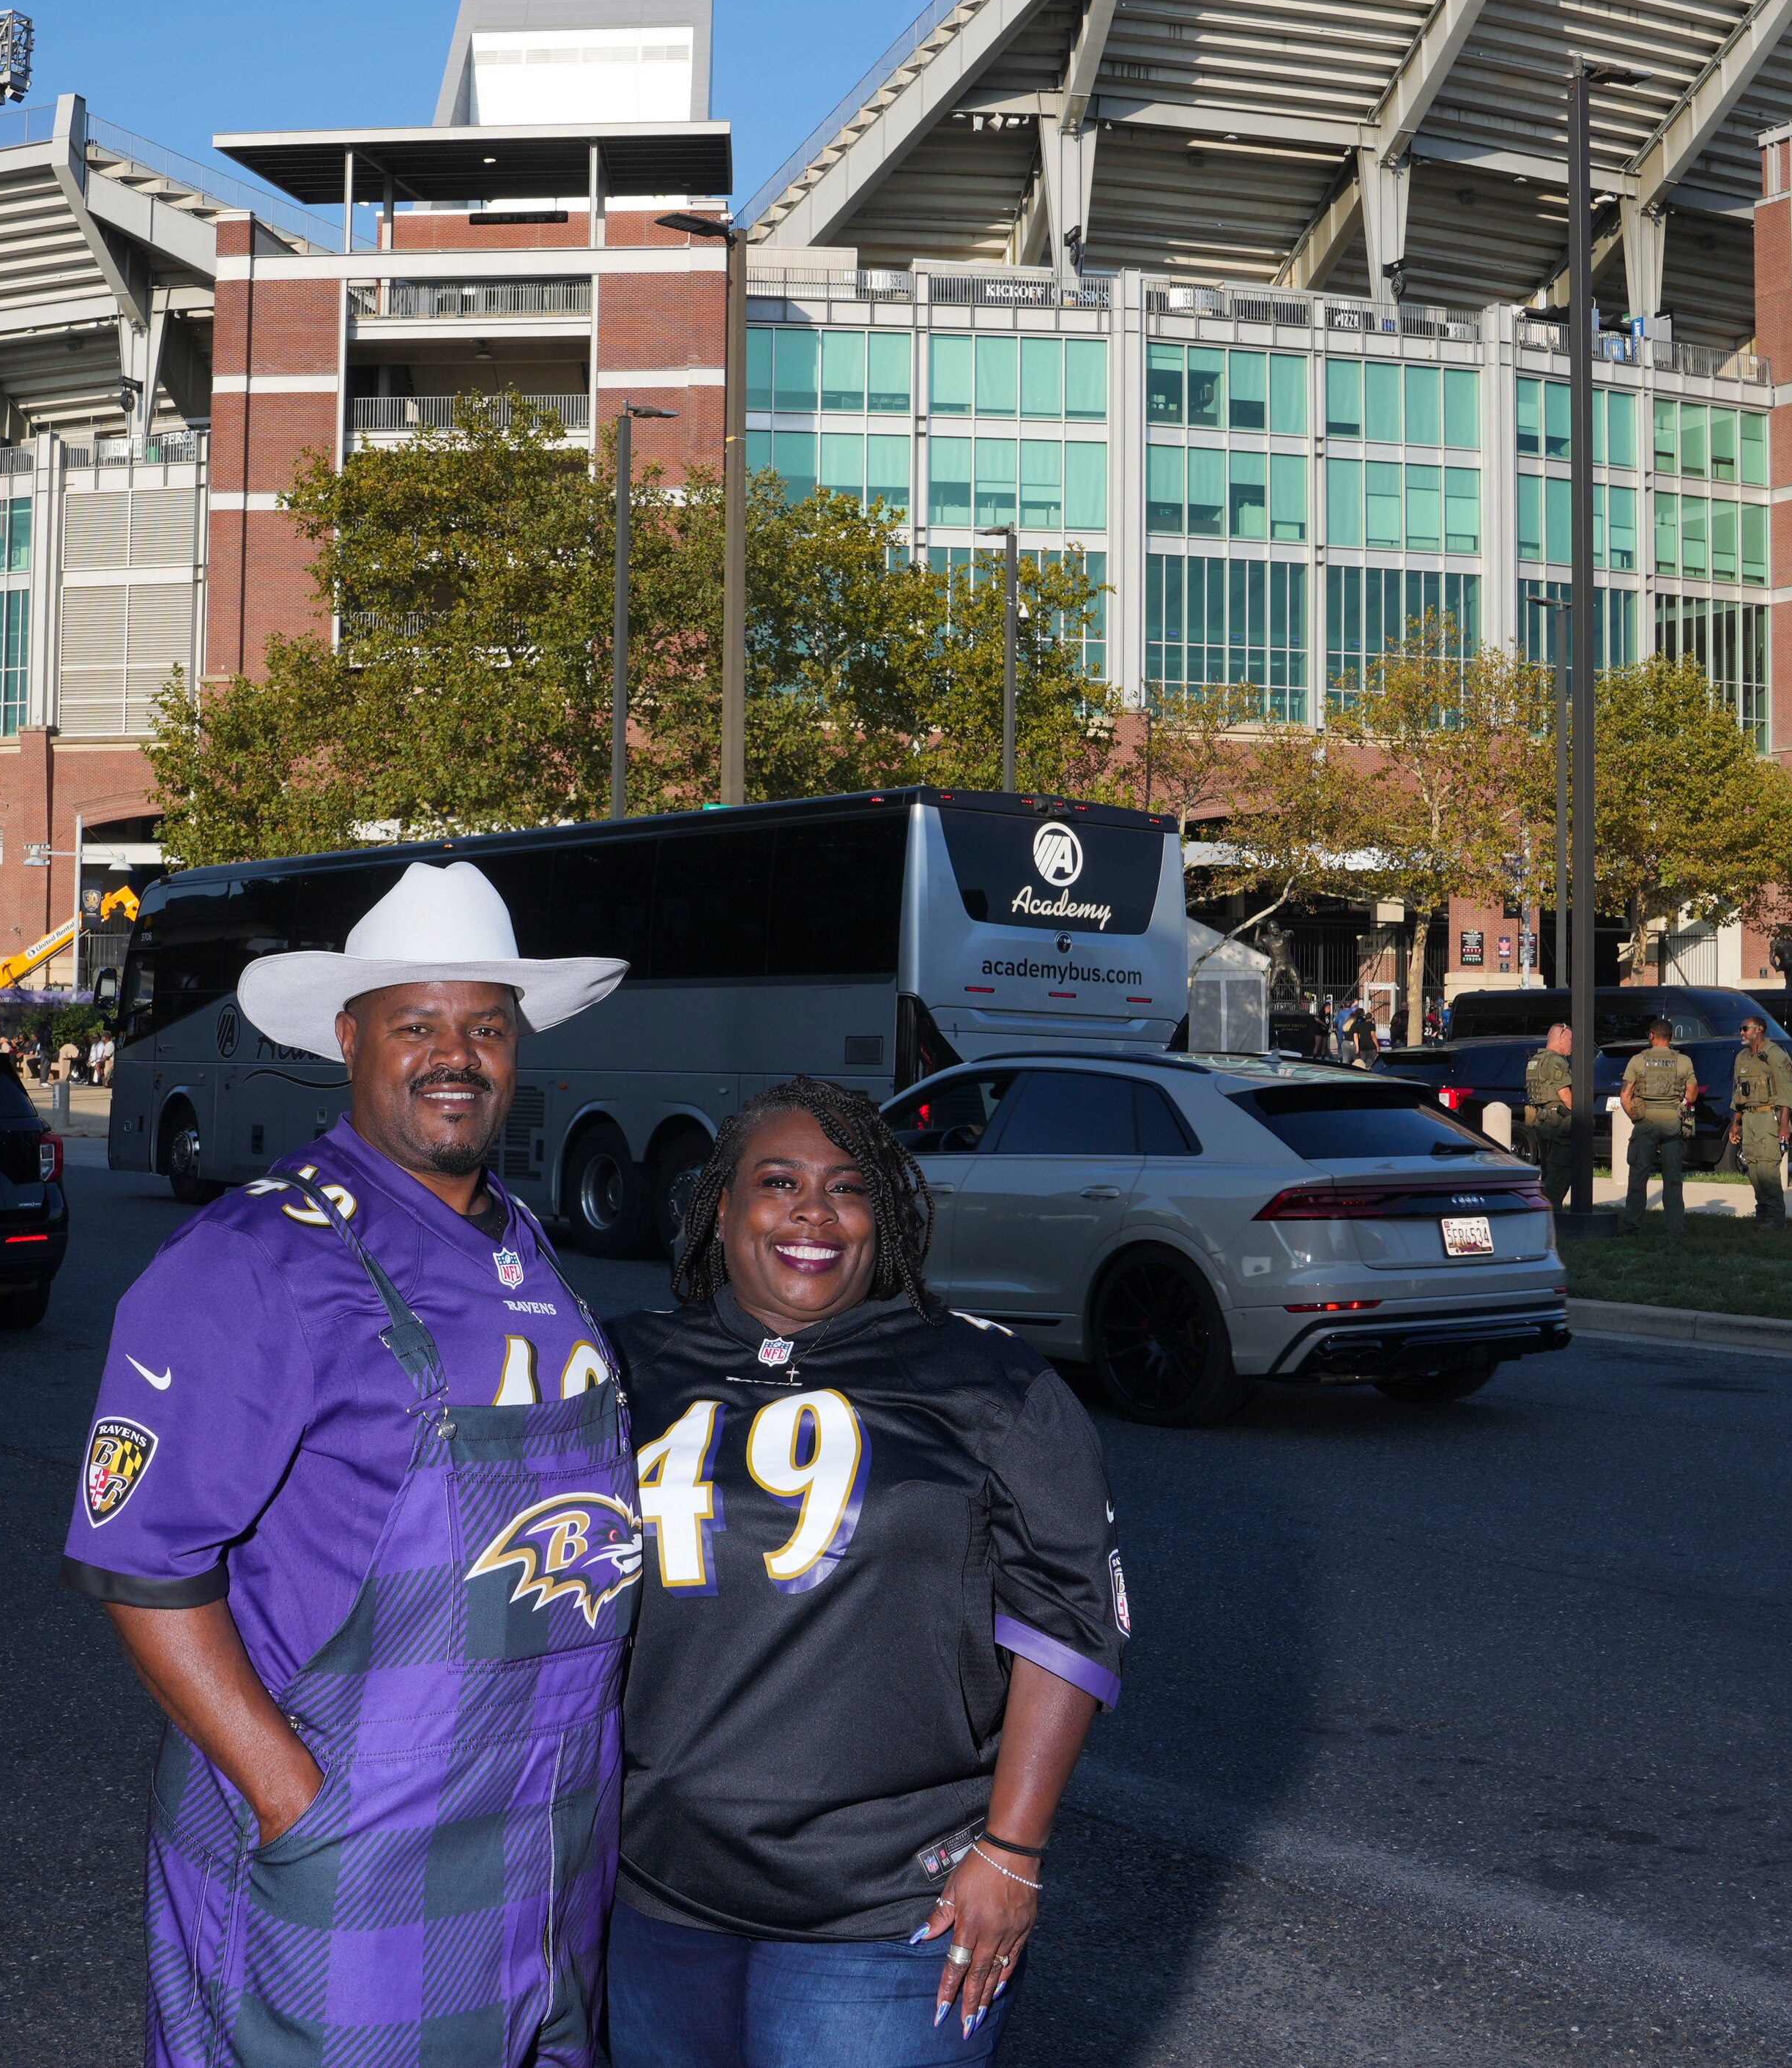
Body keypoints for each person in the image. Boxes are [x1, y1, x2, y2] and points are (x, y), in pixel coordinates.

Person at [59, 862, 636, 2067]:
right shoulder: (256, 1256)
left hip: (542, 1866)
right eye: (416, 1024)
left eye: (484, 1026)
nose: (455, 1056)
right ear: (348, 1037)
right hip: (351, 1873)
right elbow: (138, 1561)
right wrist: (294, 1804)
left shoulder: (524, 1246)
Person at [605, 1077, 1123, 2066]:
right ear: (721, 1207)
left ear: (884, 1216)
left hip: (889, 1908)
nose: (813, 1211)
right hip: (656, 1890)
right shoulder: (628, 1366)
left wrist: (1012, 1853)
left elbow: (1068, 1624)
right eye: (779, 1180)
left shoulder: (990, 1380)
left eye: (849, 1187)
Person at [1618, 1017, 1700, 1231]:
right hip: (1673, 1123)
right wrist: (1680, 1105)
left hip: (1646, 1123)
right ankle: (1675, 1228)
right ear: (1672, 1037)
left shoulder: (1638, 1060)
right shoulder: (1683, 1061)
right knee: (1673, 1179)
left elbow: (1625, 1096)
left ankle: (1632, 1226)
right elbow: (1692, 1093)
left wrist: (1635, 1117)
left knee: (1638, 1176)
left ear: (1651, 1036)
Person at [1728, 1015, 1792, 1225]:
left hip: (1770, 1117)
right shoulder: (1741, 1058)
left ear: (1759, 1030)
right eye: (1741, 1029)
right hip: (1749, 1118)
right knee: (1753, 1169)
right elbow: (1738, 1093)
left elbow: (1787, 1093)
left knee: (1767, 1170)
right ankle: (1762, 1215)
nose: (1742, 1032)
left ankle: (1776, 1219)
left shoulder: (1775, 1055)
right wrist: (1736, 1122)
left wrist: (1784, 1125)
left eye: (1745, 1028)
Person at [1522, 1022, 1580, 1221]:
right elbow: (1566, 1097)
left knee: (1547, 1170)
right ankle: (1551, 1215)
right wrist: (1582, 1115)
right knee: (1561, 1170)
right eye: (1571, 1040)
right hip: (1558, 1124)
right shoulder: (1556, 1061)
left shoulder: (1535, 1060)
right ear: (1561, 1038)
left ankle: (1542, 1213)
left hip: (1541, 1123)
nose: (1572, 1044)